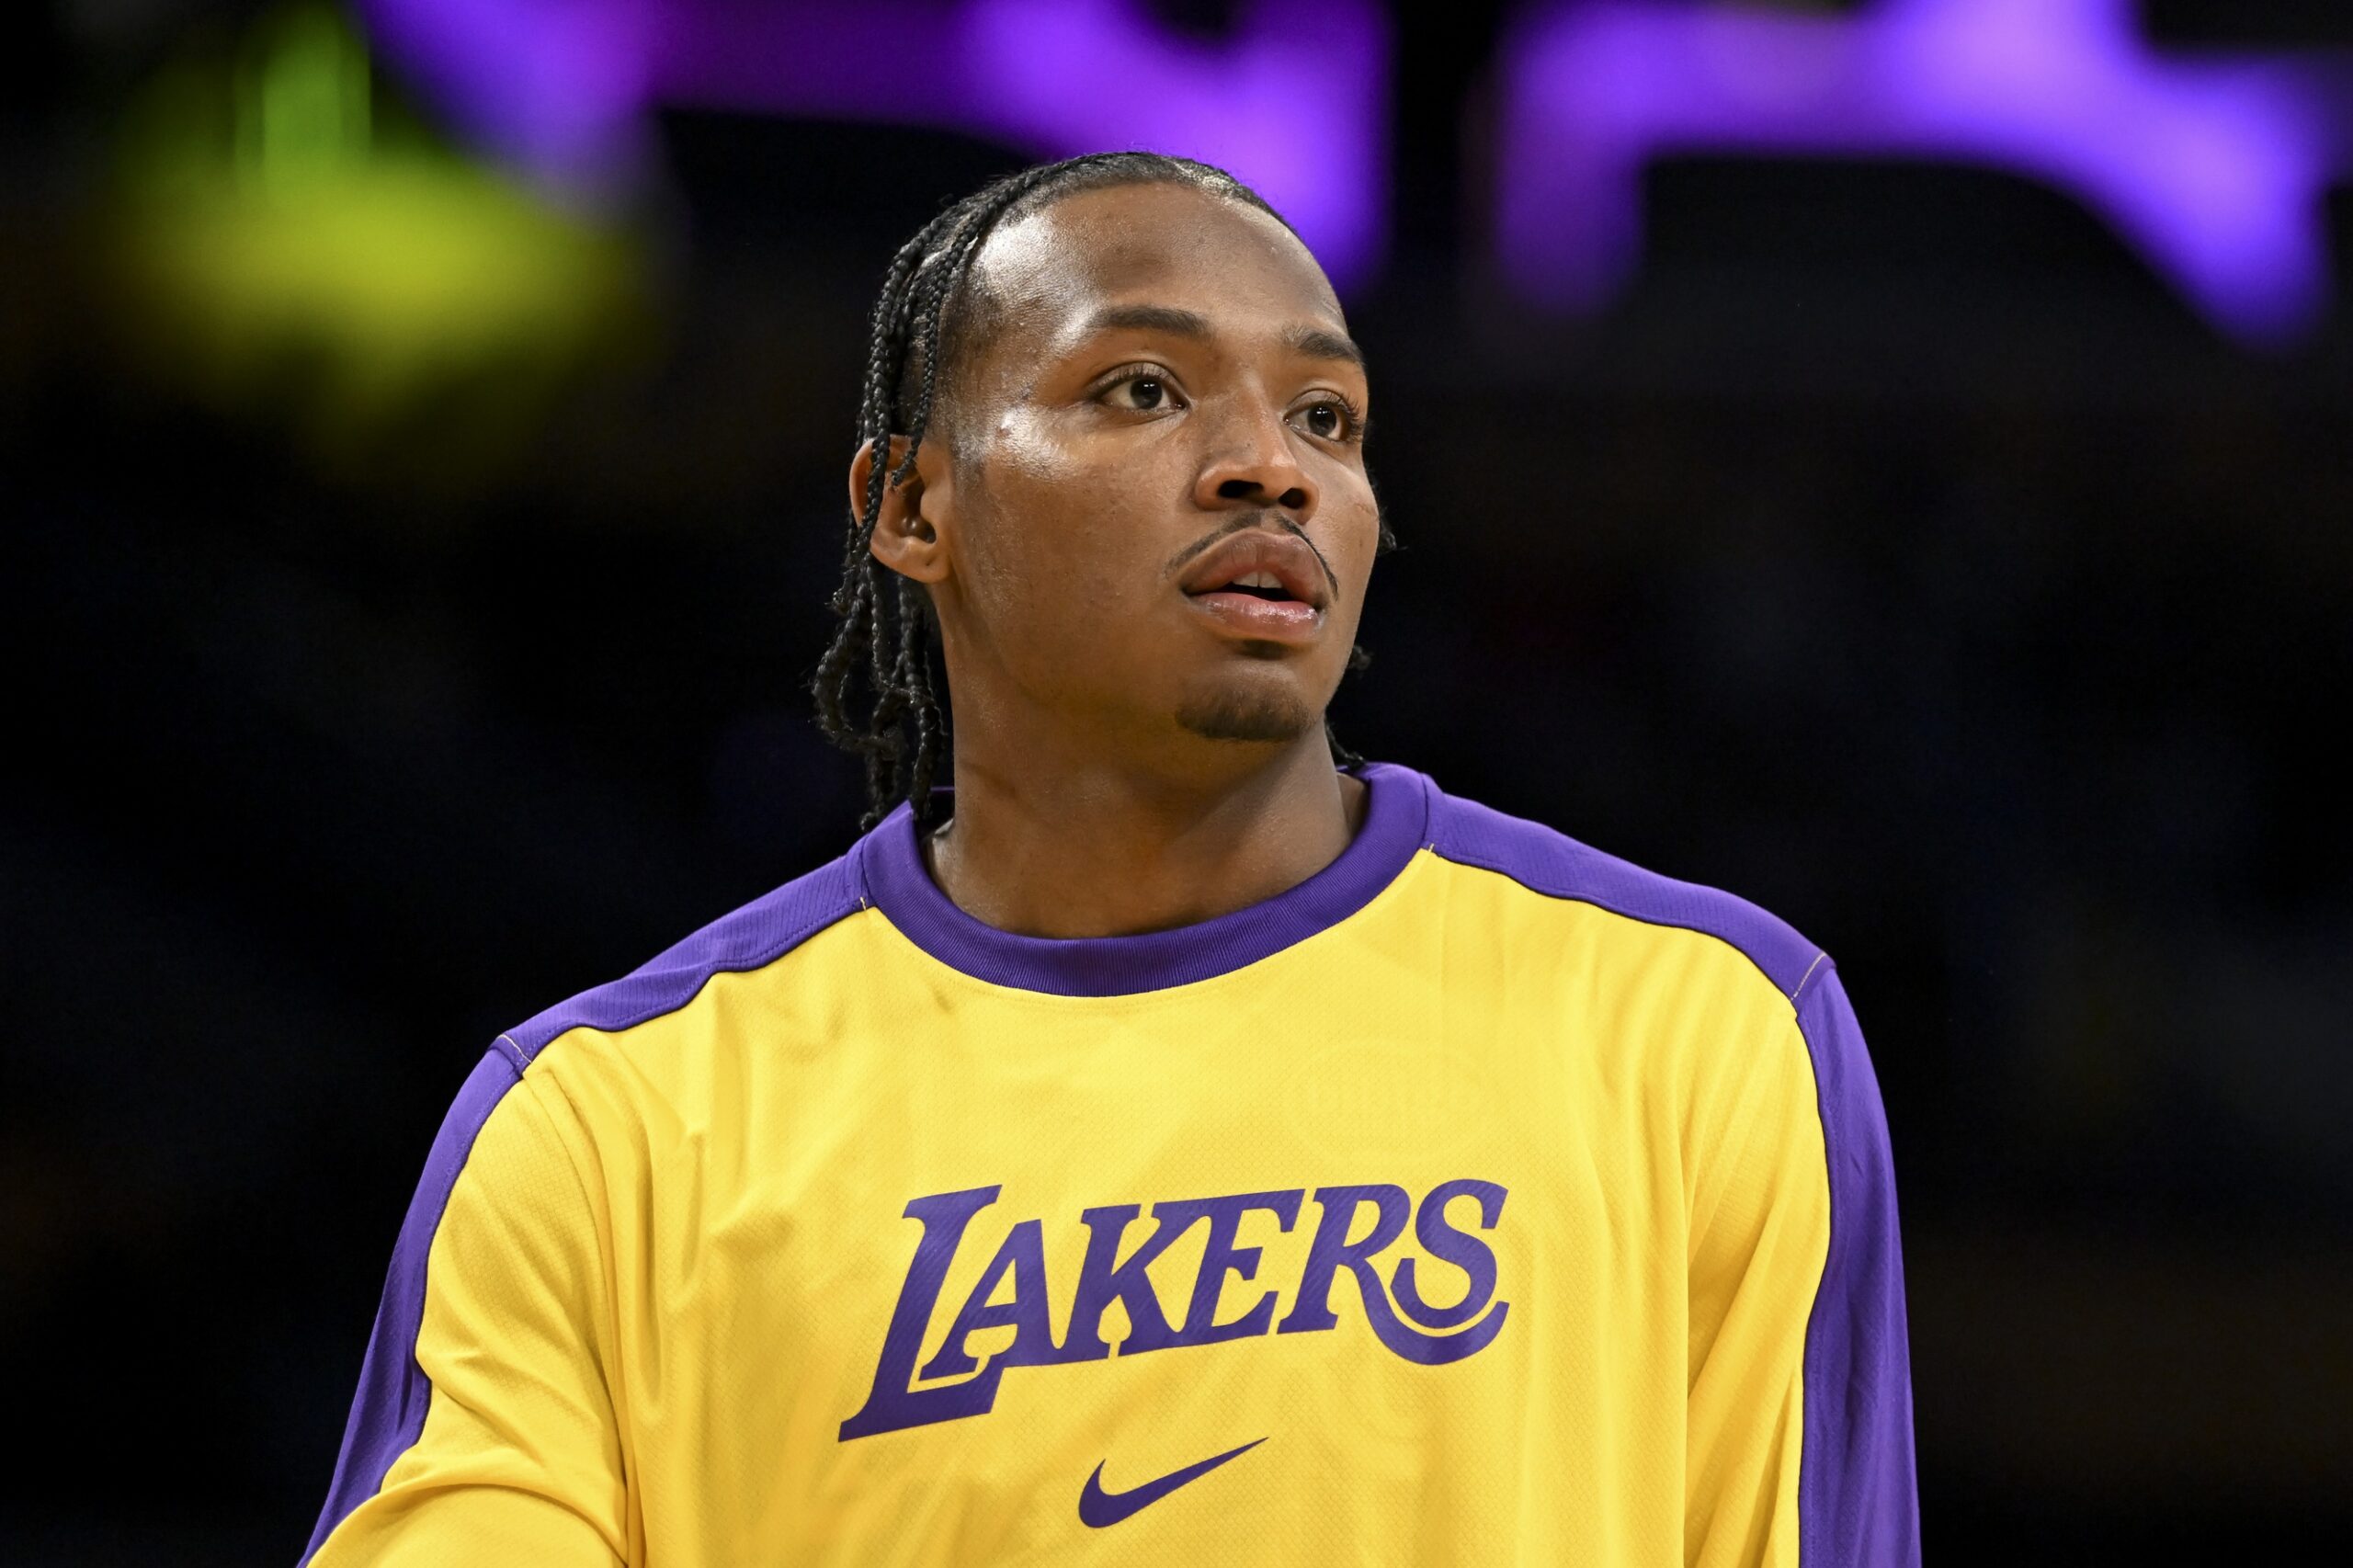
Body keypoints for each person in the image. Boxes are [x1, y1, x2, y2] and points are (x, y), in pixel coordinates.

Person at [303, 152, 1917, 1566]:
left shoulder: (1703, 1031)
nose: (1269, 465)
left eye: (1326, 414)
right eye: (1143, 389)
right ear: (914, 502)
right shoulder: (610, 1131)